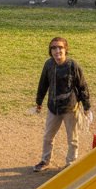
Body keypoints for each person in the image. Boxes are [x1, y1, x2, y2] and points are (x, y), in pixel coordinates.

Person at [33, 36, 91, 172]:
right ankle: (45, 160)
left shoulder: (73, 66)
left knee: (73, 138)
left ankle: (70, 163)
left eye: (60, 47)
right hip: (53, 108)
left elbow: (82, 86)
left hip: (71, 108)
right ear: (50, 51)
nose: (57, 50)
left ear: (65, 49)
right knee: (48, 136)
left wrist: (87, 108)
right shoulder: (48, 65)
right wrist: (39, 102)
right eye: (53, 48)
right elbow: (43, 84)